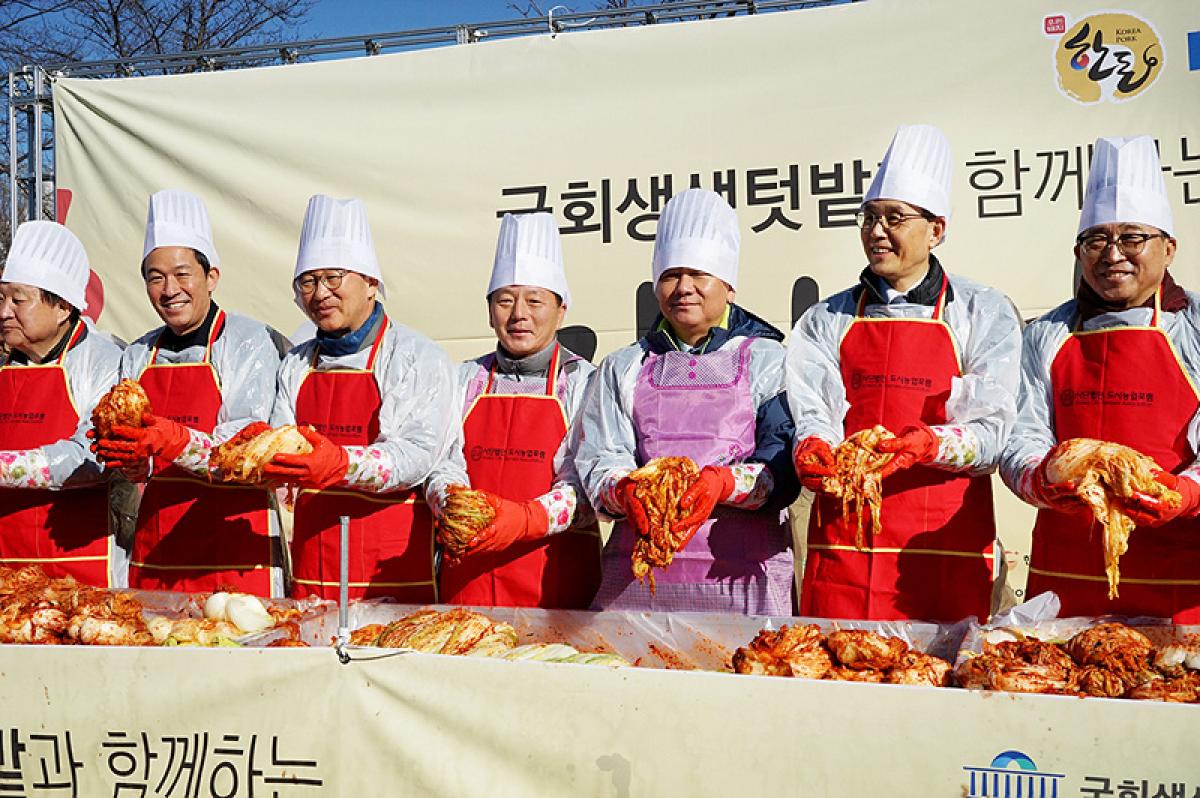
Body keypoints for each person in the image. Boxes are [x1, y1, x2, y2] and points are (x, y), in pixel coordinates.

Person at [787, 124, 1021, 622]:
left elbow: (994, 434)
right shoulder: (826, 319)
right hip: (844, 548)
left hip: (940, 549)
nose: (876, 231)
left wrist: (927, 445)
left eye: (894, 218)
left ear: (936, 230)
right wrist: (811, 445)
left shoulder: (982, 312)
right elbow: (814, 413)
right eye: (869, 217)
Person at [1000, 135, 1200, 622]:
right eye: (1097, 240)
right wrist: (1041, 480)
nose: (1113, 254)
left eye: (1132, 237)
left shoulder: (1194, 326)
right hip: (1066, 581)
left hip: (1181, 579)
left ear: (1168, 248)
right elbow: (1019, 436)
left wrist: (1185, 493)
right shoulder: (1047, 334)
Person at [574, 188, 798, 614]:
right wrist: (626, 490)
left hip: (745, 585)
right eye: (671, 275)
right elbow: (600, 458)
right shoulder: (624, 366)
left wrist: (722, 483)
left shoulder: (769, 360)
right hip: (638, 586)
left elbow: (782, 463)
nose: (684, 288)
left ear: (728, 286)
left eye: (699, 274)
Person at [264, 195, 458, 601]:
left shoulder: (414, 355)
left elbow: (416, 455)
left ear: (370, 283)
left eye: (334, 278)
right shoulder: (298, 363)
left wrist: (337, 462)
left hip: (393, 575)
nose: (321, 294)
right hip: (313, 571)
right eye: (309, 281)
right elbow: (279, 442)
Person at [95, 189, 286, 596]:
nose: (169, 290)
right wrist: (131, 465)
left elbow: (242, 445)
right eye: (155, 277)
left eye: (182, 274)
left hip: (235, 548)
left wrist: (168, 439)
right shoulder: (138, 354)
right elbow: (137, 466)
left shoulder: (248, 340)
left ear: (211, 276)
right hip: (158, 546)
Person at [425, 213, 601, 608]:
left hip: (555, 590)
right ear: (490, 312)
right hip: (466, 582)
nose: (519, 313)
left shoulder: (584, 382)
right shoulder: (463, 379)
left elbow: (589, 486)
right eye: (505, 300)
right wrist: (453, 502)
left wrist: (523, 519)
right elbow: (441, 460)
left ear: (561, 310)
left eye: (535, 300)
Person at [0, 221, 124, 585]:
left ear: (62, 307)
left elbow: (92, 456)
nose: (5, 311)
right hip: (8, 567)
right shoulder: (6, 366)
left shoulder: (103, 360)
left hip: (83, 566)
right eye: (1, 298)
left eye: (18, 300)